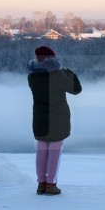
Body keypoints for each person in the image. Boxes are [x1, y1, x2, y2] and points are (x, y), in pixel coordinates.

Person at [27, 46, 82, 196]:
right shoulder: (57, 75)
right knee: (55, 153)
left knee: (41, 151)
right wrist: (71, 75)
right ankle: (51, 184)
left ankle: (41, 184)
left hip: (39, 120)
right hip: (57, 120)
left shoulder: (31, 77)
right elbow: (76, 90)